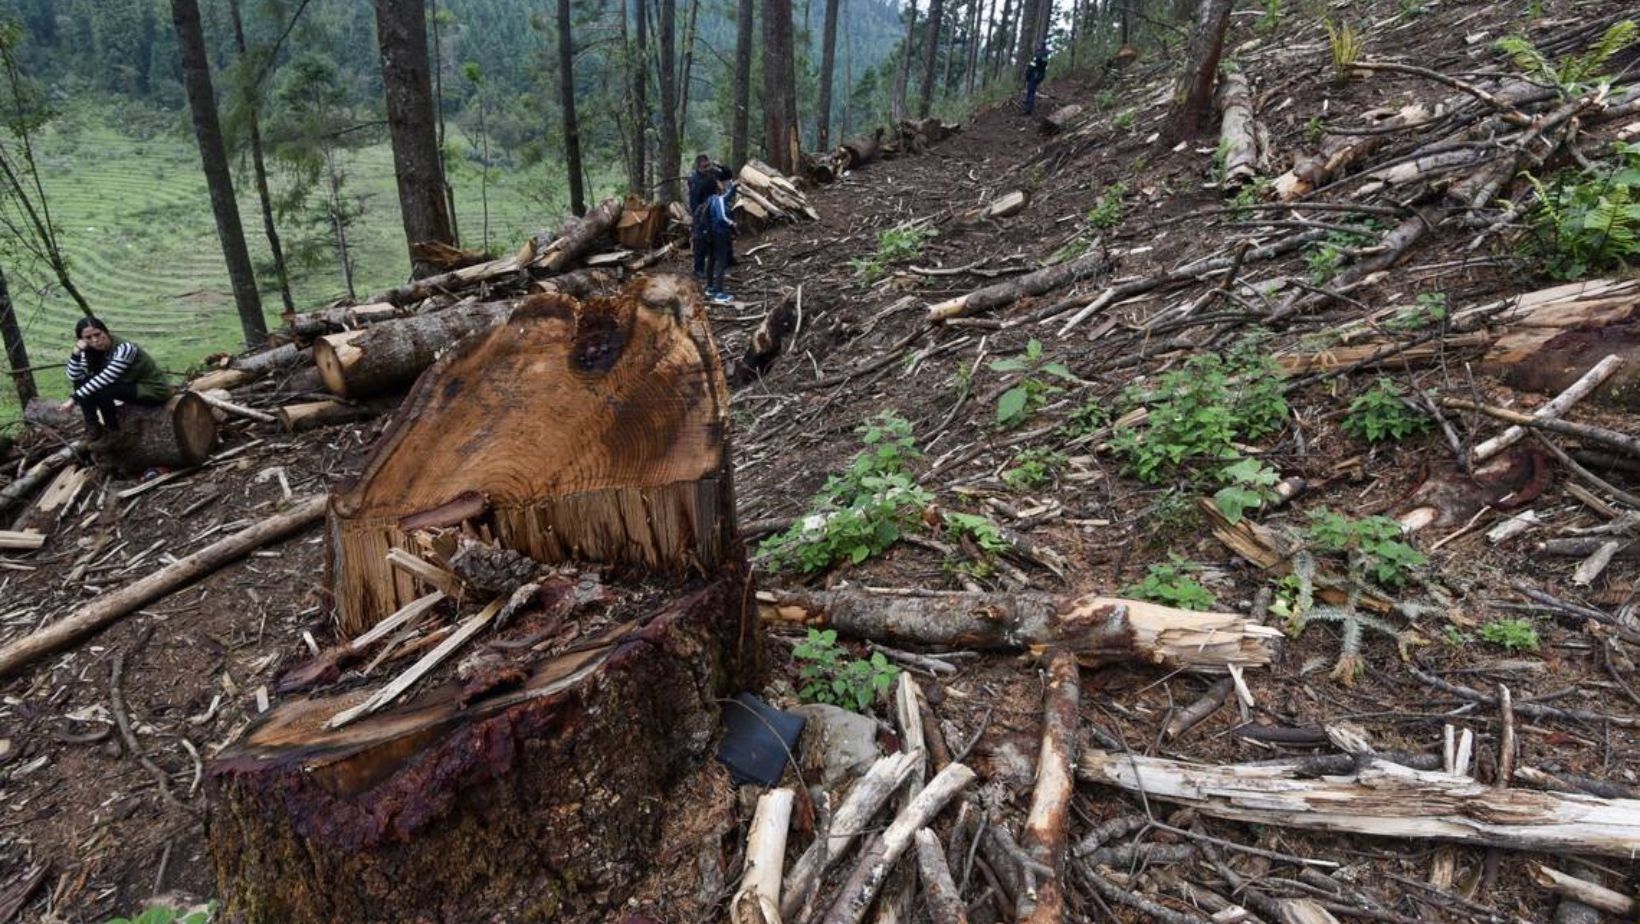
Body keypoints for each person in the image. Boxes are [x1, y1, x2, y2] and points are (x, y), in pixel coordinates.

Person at [59, 317, 170, 437]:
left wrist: (73, 399)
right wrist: (76, 353)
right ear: (82, 340)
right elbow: (75, 376)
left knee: (102, 389)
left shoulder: (125, 348)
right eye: (88, 338)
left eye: (97, 334)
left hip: (152, 390)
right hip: (128, 386)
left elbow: (105, 379)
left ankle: (112, 430)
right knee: (83, 382)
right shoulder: (91, 352)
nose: (95, 340)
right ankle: (92, 426)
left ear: (106, 332)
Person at [688, 154, 734, 279]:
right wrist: (698, 217)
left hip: (715, 209)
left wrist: (720, 165)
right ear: (698, 167)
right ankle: (699, 269)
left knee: (723, 235)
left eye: (708, 165)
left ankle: (728, 260)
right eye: (705, 166)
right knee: (701, 241)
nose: (708, 168)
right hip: (702, 212)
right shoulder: (694, 179)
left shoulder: (713, 172)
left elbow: (728, 174)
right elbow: (694, 201)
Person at [703, 177, 738, 304]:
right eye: (719, 182)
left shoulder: (709, 199)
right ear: (716, 187)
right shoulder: (718, 199)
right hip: (720, 235)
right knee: (721, 262)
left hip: (711, 235)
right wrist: (732, 223)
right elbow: (722, 216)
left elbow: (726, 197)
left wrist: (733, 188)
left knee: (711, 260)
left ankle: (710, 287)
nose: (721, 183)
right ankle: (719, 293)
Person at [1023, 46, 1049, 114]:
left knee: (1031, 90)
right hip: (1040, 76)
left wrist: (1027, 74)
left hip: (1034, 75)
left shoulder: (1037, 56)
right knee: (1031, 89)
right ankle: (1027, 101)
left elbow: (1031, 66)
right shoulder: (1045, 57)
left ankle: (1028, 108)